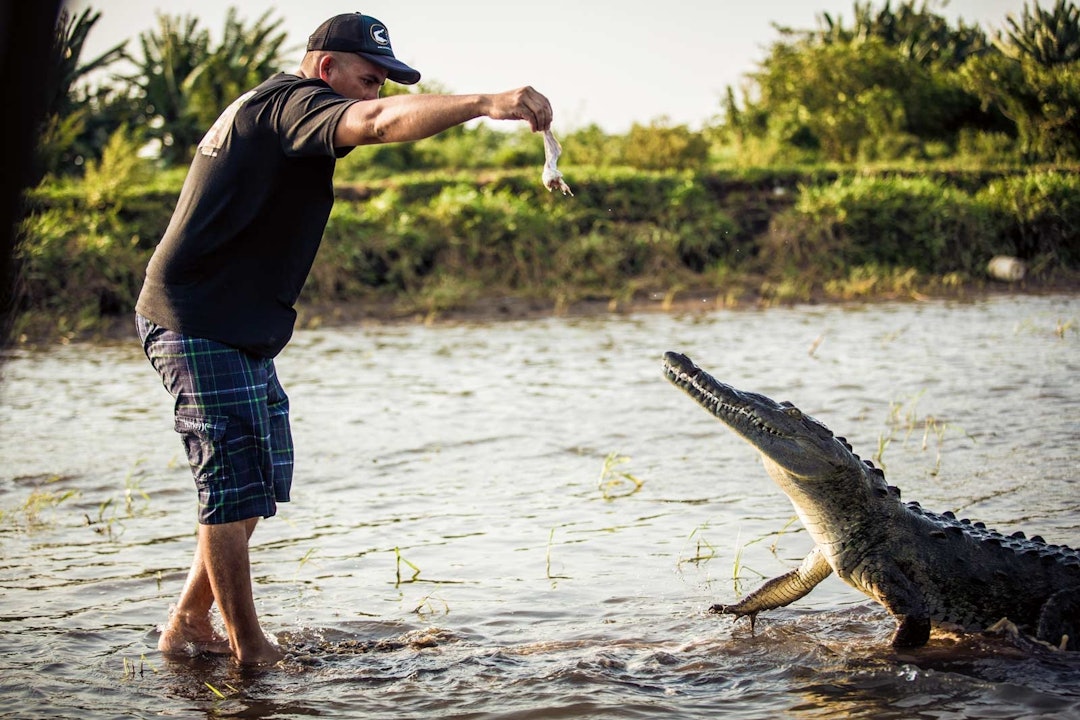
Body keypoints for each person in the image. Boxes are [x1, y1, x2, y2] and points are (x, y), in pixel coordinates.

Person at [135, 11, 554, 666]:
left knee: (257, 482)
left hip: (232, 323)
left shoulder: (278, 106)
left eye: (385, 82)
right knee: (230, 485)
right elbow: (378, 125)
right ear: (328, 69)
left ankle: (189, 622)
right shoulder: (298, 104)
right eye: (369, 79)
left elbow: (372, 117)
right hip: (197, 319)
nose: (377, 94)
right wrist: (483, 103)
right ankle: (252, 653)